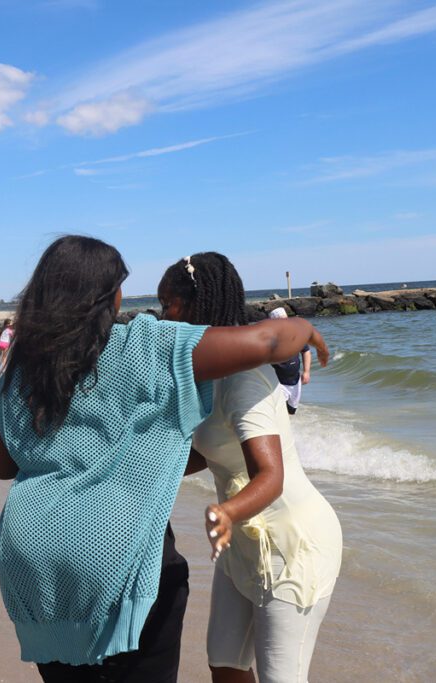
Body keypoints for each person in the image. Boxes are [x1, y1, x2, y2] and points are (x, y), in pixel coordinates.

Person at [0, 236, 328, 681]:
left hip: (29, 558)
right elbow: (269, 340)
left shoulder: (26, 365)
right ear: (107, 295)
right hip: (118, 557)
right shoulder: (147, 345)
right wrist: (306, 329)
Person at [159, 253, 342, 683]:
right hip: (242, 547)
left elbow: (270, 476)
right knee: (225, 667)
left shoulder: (245, 379)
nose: (164, 316)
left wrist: (226, 513)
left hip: (291, 549)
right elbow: (212, 451)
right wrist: (145, 470)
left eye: (170, 305)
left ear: (198, 303)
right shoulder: (208, 372)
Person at [267, 307, 311, 415]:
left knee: (291, 411)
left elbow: (306, 351)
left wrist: (306, 372)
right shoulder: (270, 340)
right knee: (280, 412)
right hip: (278, 384)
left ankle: (289, 429)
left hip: (295, 381)